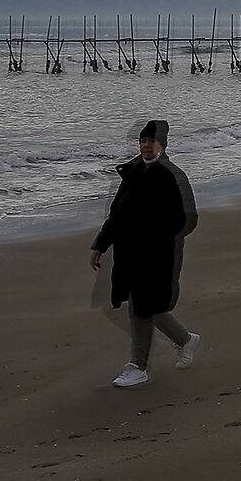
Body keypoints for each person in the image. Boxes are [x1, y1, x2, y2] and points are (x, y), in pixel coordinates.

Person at [91, 119, 200, 388]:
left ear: (162, 144)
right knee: (145, 304)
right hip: (129, 252)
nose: (146, 146)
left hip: (159, 254)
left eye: (151, 141)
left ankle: (137, 367)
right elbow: (117, 215)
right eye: (142, 141)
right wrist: (100, 244)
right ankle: (185, 339)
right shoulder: (132, 173)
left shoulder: (173, 176)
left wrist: (155, 235)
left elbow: (189, 219)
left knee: (142, 306)